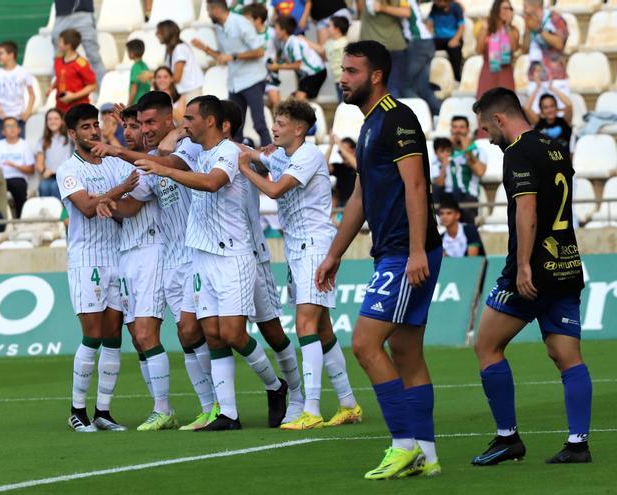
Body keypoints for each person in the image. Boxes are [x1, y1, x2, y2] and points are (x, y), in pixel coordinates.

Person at [315, 41, 444, 479]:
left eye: (351, 71)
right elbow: (361, 196)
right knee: (406, 353)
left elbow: (415, 186)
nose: (342, 78)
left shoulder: (398, 119)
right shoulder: (369, 125)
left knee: (365, 344)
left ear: (375, 75)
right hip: (394, 252)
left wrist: (413, 252)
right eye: (342, 70)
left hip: (406, 254)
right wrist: (335, 253)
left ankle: (402, 444)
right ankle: (426, 455)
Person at [135, 96, 288, 431]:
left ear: (213, 122)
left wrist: (163, 169)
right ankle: (227, 414)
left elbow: (212, 182)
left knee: (234, 333)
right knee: (212, 336)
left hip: (233, 255)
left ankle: (277, 386)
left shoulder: (230, 152)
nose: (184, 124)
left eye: (189, 118)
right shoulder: (197, 153)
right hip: (201, 259)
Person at [471, 87, 591, 465]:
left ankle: (508, 438)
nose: (487, 138)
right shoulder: (556, 146)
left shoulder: (518, 152)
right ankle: (577, 444)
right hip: (567, 264)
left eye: (487, 129)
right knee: (566, 355)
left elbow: (527, 211)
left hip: (532, 271)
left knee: (486, 345)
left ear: (500, 119)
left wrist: (522, 266)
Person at [90, 94, 220, 431]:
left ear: (169, 120)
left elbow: (165, 168)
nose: (140, 130)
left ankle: (255, 395)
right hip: (160, 257)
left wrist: (110, 186)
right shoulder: (148, 158)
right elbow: (135, 197)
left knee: (200, 331)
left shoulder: (186, 146)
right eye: (134, 125)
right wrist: (108, 199)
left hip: (188, 252)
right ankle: (208, 407)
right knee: (172, 334)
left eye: (147, 123)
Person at [239, 98, 361, 430]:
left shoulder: (306, 156)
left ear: (299, 129)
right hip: (298, 250)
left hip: (314, 247)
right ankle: (348, 403)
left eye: (280, 122)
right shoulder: (283, 154)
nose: (274, 127)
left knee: (305, 326)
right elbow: (253, 153)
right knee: (322, 329)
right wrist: (245, 153)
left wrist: (245, 169)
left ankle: (311, 408)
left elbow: (276, 190)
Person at [57, 103, 138, 433]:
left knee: (114, 336)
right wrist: (117, 192)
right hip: (86, 259)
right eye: (86, 127)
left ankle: (103, 410)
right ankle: (77, 410)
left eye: (95, 125)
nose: (93, 131)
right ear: (73, 134)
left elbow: (123, 207)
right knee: (92, 335)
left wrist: (113, 200)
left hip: (116, 257)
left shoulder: (114, 164)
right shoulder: (68, 170)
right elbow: (88, 207)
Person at [192, 0, 273, 146]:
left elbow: (259, 51)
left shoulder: (241, 23)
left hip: (252, 79)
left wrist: (233, 56)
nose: (208, 14)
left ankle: (272, 160)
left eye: (208, 10)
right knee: (233, 125)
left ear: (215, 10)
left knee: (259, 123)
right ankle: (235, 161)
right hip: (235, 82)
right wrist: (205, 49)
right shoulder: (219, 28)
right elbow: (223, 56)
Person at [523, 0, 570, 113]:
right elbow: (525, 49)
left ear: (535, 4)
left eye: (525, 5)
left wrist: (538, 30)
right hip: (536, 78)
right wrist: (528, 30)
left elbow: (559, 43)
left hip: (555, 79)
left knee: (559, 119)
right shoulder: (529, 21)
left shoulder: (555, 19)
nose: (523, 9)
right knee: (536, 123)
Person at [358, 0, 410, 98]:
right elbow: (406, 12)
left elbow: (406, 12)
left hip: (374, 49)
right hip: (395, 46)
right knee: (395, 88)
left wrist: (382, 8)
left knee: (374, 89)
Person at [270, 16, 327, 101]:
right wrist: (277, 62)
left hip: (315, 73)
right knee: (293, 101)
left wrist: (278, 66)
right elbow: (288, 60)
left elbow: (297, 65)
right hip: (308, 75)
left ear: (283, 30)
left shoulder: (294, 42)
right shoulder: (285, 43)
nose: (274, 31)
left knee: (299, 100)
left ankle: (311, 113)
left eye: (276, 28)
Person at [0, 40, 36, 141]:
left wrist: (27, 112)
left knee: (20, 146)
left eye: (1, 53)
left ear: (11, 55)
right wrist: (1, 113)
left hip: (18, 118)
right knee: (1, 146)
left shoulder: (23, 72)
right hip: (1, 119)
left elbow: (32, 94)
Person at [0, 117, 37, 218]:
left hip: (18, 178)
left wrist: (15, 165)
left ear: (19, 130)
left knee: (18, 186)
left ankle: (21, 219)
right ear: (3, 131)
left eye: (14, 126)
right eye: (8, 126)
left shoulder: (24, 145)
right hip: (1, 179)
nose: (12, 128)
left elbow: (31, 169)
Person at [51, 0, 105, 86]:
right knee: (58, 57)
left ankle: (103, 91)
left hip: (84, 14)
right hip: (62, 15)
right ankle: (56, 92)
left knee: (94, 57)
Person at [446, 115, 487, 224]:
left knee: (465, 209)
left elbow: (480, 172)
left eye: (461, 127)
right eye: (455, 127)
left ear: (468, 130)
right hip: (448, 196)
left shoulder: (478, 151)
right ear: (451, 130)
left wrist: (466, 150)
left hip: (469, 197)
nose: (458, 131)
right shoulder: (443, 152)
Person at [402, 0, 440, 114]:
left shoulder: (404, 2)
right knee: (423, 87)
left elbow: (406, 13)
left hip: (419, 43)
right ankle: (438, 114)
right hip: (426, 42)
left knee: (405, 85)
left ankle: (419, 115)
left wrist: (381, 8)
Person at [476, 0, 519, 99]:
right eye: (505, 8)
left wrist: (507, 26)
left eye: (509, 9)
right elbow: (478, 50)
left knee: (506, 104)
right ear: (497, 10)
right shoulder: (487, 29)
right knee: (487, 105)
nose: (507, 11)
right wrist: (484, 29)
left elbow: (514, 48)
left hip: (505, 72)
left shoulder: (513, 30)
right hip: (489, 71)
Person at [242, 3, 281, 108]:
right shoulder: (246, 36)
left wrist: (276, 63)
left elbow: (281, 49)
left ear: (258, 20)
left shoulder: (272, 33)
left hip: (269, 74)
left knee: (275, 100)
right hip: (252, 74)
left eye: (247, 19)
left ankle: (280, 123)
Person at [50, 29, 97, 115]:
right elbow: (60, 77)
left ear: (68, 45)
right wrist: (52, 87)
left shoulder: (81, 63)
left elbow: (92, 86)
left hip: (79, 109)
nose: (58, 43)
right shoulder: (58, 59)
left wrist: (73, 96)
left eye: (60, 41)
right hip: (60, 108)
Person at [157, 20, 204, 102]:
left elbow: (177, 77)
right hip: (183, 92)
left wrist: (155, 78)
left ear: (167, 33)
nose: (156, 34)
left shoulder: (180, 49)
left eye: (159, 32)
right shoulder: (171, 49)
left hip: (190, 92)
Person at [35, 108, 73, 199]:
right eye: (50, 119)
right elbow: (39, 164)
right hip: (50, 176)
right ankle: (47, 213)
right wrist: (44, 171)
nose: (53, 121)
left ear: (62, 121)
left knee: (55, 187)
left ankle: (60, 212)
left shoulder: (69, 137)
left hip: (65, 176)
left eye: (56, 118)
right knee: (43, 186)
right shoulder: (43, 141)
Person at [524, 82, 573, 151]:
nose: (549, 110)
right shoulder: (538, 122)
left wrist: (552, 88)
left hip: (562, 160)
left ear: (556, 107)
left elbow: (569, 105)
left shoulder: (565, 121)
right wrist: (537, 87)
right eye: (545, 107)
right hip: (543, 160)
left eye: (552, 106)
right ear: (541, 111)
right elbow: (526, 108)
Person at [426, 0, 464, 82]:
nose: (437, 3)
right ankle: (427, 78)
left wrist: (455, 39)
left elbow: (461, 26)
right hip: (438, 39)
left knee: (455, 50)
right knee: (425, 48)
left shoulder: (456, 7)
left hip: (453, 37)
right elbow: (429, 23)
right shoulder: (435, 7)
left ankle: (457, 78)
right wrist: (426, 37)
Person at [326, 134, 357, 207]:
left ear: (354, 150)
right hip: (340, 207)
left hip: (356, 206)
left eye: (345, 150)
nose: (342, 154)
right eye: (340, 152)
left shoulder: (361, 166)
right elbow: (323, 167)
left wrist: (340, 146)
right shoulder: (340, 167)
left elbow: (357, 166)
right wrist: (331, 146)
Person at [127, 39, 152, 105]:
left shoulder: (135, 67)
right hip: (146, 102)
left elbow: (133, 90)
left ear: (131, 53)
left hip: (137, 104)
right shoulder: (145, 65)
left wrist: (129, 104)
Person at [430, 136, 451, 202]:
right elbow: (439, 184)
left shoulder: (455, 161)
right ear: (436, 152)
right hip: (443, 194)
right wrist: (443, 166)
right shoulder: (434, 165)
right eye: (442, 151)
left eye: (448, 151)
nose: (445, 154)